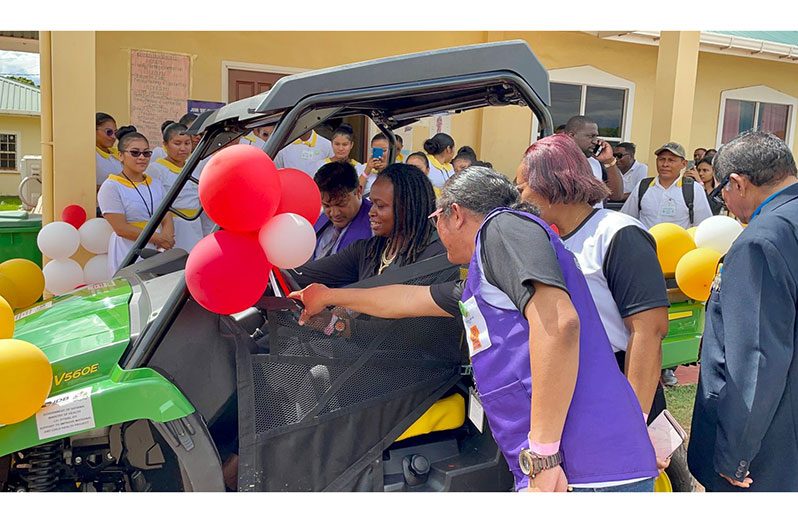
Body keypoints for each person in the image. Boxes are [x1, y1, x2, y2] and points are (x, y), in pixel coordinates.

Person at [290, 167, 658, 492]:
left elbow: (560, 324)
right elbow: (407, 300)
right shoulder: (483, 278)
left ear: (455, 214)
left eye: (437, 218)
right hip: (565, 469)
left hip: (587, 469)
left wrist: (543, 457)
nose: (435, 228)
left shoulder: (503, 227)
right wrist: (330, 296)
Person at [517, 134, 672, 471]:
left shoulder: (617, 233)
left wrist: (633, 420)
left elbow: (649, 331)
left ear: (549, 183)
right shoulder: (549, 239)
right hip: (576, 386)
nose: (520, 198)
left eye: (523, 187)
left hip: (619, 384)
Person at [687, 131, 798, 492]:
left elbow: (755, 358)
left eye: (721, 193)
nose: (725, 204)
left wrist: (736, 453)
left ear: (738, 183)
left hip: (769, 451)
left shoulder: (761, 241)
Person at [291, 163, 444, 288]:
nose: (371, 212)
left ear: (408, 207)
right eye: (372, 203)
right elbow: (304, 275)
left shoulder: (436, 256)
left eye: (380, 206)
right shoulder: (368, 250)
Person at [97, 126, 174, 276]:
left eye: (146, 153)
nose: (142, 157)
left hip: (157, 248)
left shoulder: (155, 183)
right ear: (120, 155)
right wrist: (159, 239)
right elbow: (120, 227)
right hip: (128, 248)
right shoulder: (111, 186)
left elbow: (167, 215)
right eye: (135, 153)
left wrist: (167, 239)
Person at [620, 141, 713, 229]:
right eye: (661, 159)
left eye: (671, 160)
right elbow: (626, 219)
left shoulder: (694, 189)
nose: (665, 164)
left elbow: (703, 226)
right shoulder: (643, 186)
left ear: (684, 164)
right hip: (646, 245)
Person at [147, 122, 202, 252]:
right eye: (177, 143)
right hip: (172, 225)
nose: (183, 148)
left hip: (194, 224)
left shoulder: (195, 166)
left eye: (187, 143)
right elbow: (153, 202)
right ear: (165, 145)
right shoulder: (156, 169)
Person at [312, 161, 373, 260]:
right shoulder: (320, 219)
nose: (334, 213)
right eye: (326, 206)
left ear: (358, 191)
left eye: (341, 204)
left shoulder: (375, 226)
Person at [563, 116, 623, 205]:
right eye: (591, 136)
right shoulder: (554, 160)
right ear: (571, 136)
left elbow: (616, 196)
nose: (595, 141)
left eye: (596, 136)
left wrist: (609, 161)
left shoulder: (597, 162)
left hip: (594, 218)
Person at [95, 112, 122, 190]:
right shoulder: (91, 155)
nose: (114, 137)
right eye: (109, 132)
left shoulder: (118, 153)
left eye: (116, 132)